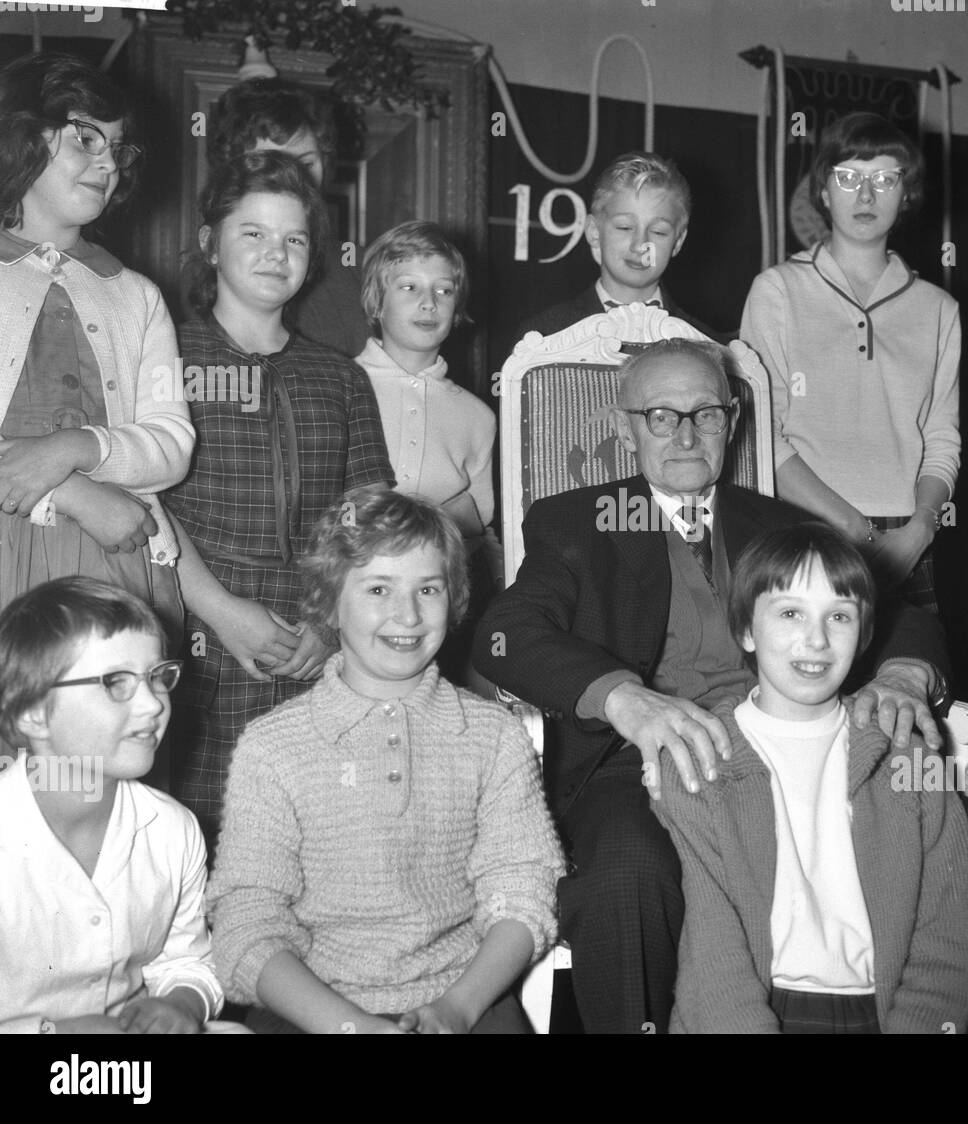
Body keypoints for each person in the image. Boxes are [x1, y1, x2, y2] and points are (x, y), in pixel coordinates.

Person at [474, 336, 968, 1034]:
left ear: (731, 422)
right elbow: (504, 635)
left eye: (706, 414)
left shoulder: (778, 522)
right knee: (626, 876)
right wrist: (625, 698)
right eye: (661, 416)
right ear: (627, 426)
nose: (685, 434)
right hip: (640, 757)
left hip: (797, 740)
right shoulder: (573, 523)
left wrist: (899, 673)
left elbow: (891, 611)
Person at [209, 488, 563, 1034]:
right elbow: (247, 925)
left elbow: (523, 890)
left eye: (429, 588)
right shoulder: (272, 746)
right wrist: (351, 1026)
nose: (408, 614)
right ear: (330, 604)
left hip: (465, 1002)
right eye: (379, 588)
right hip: (312, 1011)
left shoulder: (493, 736)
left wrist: (458, 1008)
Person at [656, 522, 968, 1033]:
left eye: (840, 616)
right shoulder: (697, 761)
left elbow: (944, 939)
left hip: (884, 1013)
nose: (816, 639)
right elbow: (712, 958)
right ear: (745, 630)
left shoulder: (909, 759)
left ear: (865, 633)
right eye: (789, 613)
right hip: (751, 1012)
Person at [164, 151, 393, 848]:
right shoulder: (165, 355)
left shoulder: (339, 376)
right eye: (253, 233)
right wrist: (220, 612)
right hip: (195, 635)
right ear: (211, 243)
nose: (275, 254)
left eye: (294, 239)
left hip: (313, 648)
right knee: (196, 846)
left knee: (308, 845)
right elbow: (140, 504)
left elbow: (370, 522)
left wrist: (329, 628)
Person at [0, 52, 194, 637]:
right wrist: (74, 491)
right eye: (86, 138)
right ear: (24, 136)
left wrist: (80, 445)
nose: (107, 162)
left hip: (113, 561)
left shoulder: (135, 295)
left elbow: (171, 442)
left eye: (118, 148)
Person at [740, 112, 959, 611]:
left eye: (885, 179)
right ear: (823, 190)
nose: (865, 195)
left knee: (905, 681)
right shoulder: (777, 290)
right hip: (801, 524)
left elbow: (942, 438)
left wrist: (921, 528)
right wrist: (848, 523)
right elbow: (759, 431)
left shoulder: (938, 309)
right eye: (848, 178)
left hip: (904, 542)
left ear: (907, 194)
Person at [0, 577, 225, 1034]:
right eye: (115, 682)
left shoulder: (173, 829)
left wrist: (182, 1004)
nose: (153, 705)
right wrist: (57, 1033)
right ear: (33, 714)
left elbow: (189, 961)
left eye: (158, 677)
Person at [355, 220, 502, 683]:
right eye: (409, 287)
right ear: (377, 301)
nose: (428, 302)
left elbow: (478, 526)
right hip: (352, 597)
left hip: (434, 614)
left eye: (443, 291)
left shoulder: (477, 415)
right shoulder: (338, 386)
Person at [206, 77, 369, 357]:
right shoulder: (194, 278)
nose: (293, 181)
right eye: (271, 164)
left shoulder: (364, 272)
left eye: (305, 164)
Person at [517, 151, 720, 340]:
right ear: (594, 232)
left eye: (658, 231)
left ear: (678, 242)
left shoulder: (705, 343)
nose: (640, 245)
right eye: (624, 227)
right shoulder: (544, 336)